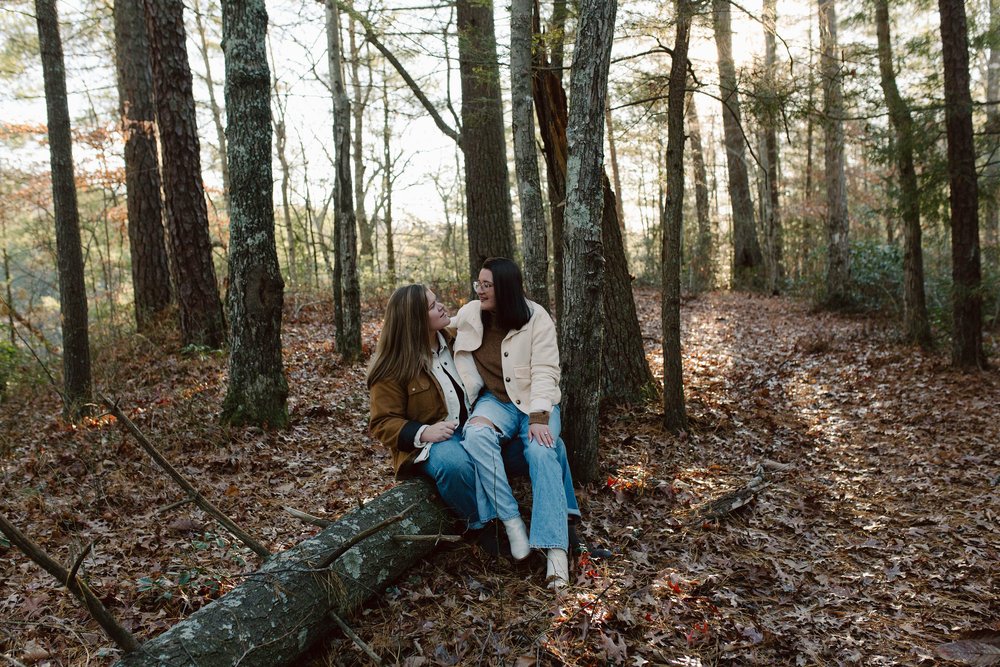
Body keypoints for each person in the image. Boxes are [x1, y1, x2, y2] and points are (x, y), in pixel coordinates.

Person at [452, 257, 580, 588]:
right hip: (496, 402)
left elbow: (546, 370)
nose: (479, 290)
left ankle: (555, 551)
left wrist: (539, 417)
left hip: (536, 404)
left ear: (505, 287)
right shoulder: (470, 314)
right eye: (477, 284)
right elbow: (440, 325)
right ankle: (511, 523)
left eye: (486, 285)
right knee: (475, 435)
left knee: (541, 451)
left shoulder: (537, 318)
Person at [367, 284, 485, 531]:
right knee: (455, 466)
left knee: (531, 446)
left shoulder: (456, 341)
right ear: (414, 320)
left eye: (436, 300)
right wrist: (423, 432)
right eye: (432, 306)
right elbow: (382, 423)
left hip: (476, 427)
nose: (441, 306)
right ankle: (482, 527)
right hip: (435, 444)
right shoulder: (392, 367)